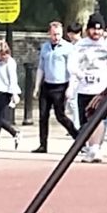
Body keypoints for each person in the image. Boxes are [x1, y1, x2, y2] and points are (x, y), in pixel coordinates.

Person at [69, 15, 107, 162]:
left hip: (102, 87)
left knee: (97, 119)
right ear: (88, 29)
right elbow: (72, 65)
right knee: (86, 121)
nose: (96, 32)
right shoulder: (80, 45)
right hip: (84, 88)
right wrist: (79, 74)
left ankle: (95, 149)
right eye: (93, 29)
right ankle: (91, 148)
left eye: (99, 29)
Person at [34, 19, 79, 154]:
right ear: (49, 34)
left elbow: (71, 70)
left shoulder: (68, 48)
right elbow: (41, 68)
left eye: (58, 34)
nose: (56, 37)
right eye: (54, 34)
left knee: (60, 116)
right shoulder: (45, 47)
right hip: (47, 85)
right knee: (42, 116)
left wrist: (70, 87)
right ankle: (43, 144)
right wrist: (36, 86)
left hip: (61, 86)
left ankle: (78, 139)